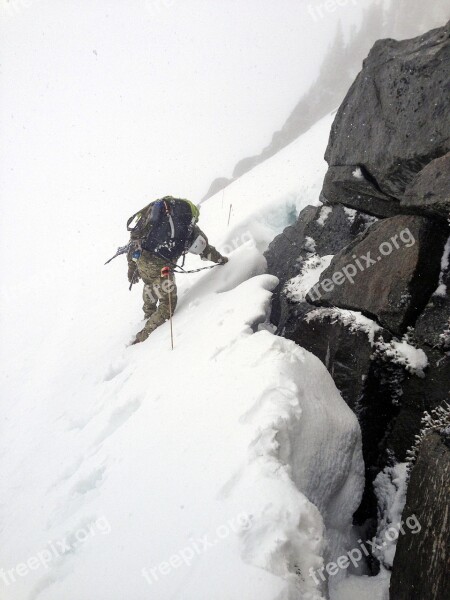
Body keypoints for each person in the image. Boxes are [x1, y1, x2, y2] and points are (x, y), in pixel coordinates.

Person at [127, 196, 228, 345]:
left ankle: (148, 313)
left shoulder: (157, 216)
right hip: (161, 266)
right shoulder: (189, 228)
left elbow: (134, 239)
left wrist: (132, 266)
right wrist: (222, 260)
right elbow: (205, 250)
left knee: (149, 283)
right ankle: (143, 337)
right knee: (167, 306)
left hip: (141, 258)